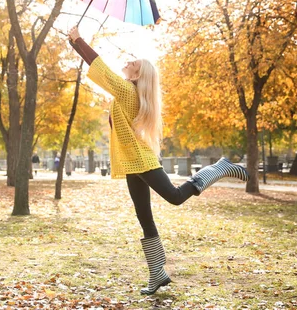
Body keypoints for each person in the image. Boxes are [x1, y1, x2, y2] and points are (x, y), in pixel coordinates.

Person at [67, 26, 249, 295]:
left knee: (175, 197)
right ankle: (157, 273)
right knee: (144, 217)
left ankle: (219, 168)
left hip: (141, 160)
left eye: (133, 62)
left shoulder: (127, 92)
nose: (127, 62)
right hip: (133, 163)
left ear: (138, 74)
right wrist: (73, 43)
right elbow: (100, 70)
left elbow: (100, 69)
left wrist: (78, 40)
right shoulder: (129, 93)